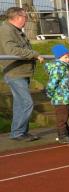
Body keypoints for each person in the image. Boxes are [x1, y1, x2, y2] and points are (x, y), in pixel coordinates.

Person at [1, 7, 44, 141]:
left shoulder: (14, 30)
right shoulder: (6, 30)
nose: (27, 20)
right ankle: (19, 132)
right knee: (26, 102)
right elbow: (12, 50)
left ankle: (19, 132)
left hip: (20, 72)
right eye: (25, 17)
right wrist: (34, 54)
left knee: (20, 103)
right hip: (15, 73)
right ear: (18, 17)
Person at [44, 44, 69, 143]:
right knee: (62, 118)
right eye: (66, 57)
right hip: (60, 98)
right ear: (59, 58)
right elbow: (52, 83)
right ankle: (63, 136)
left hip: (66, 96)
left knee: (65, 116)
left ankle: (67, 134)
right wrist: (50, 93)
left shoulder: (67, 67)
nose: (68, 59)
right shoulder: (59, 68)